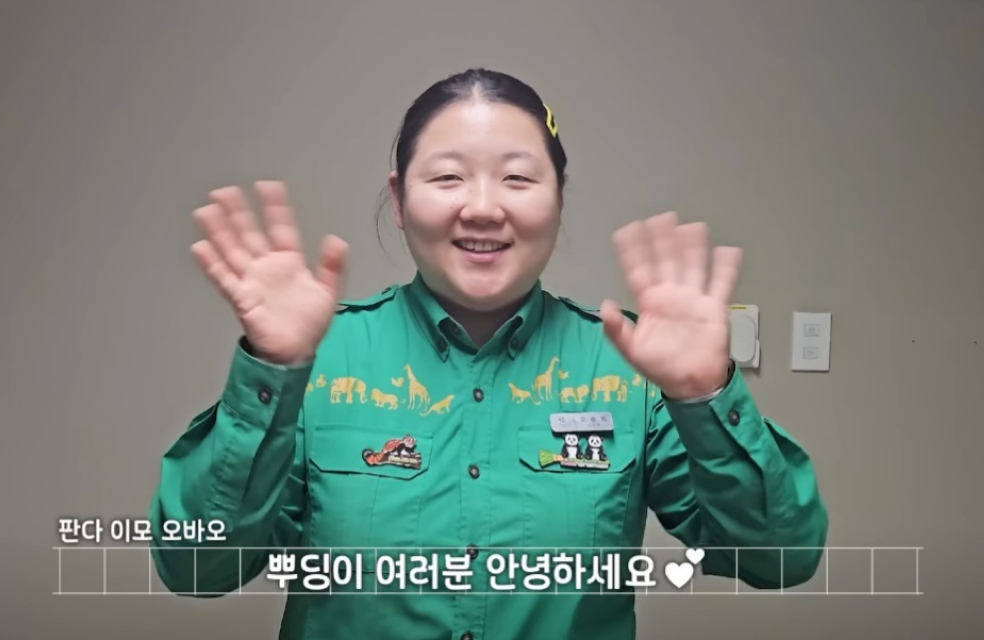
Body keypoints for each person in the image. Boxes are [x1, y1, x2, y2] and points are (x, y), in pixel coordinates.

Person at [148, 68, 828, 640]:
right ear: (400, 199)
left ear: (558, 200)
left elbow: (780, 557)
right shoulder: (322, 361)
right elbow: (197, 567)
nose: (481, 208)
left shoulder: (628, 374)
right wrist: (271, 367)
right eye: (447, 178)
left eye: (517, 179)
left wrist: (704, 393)